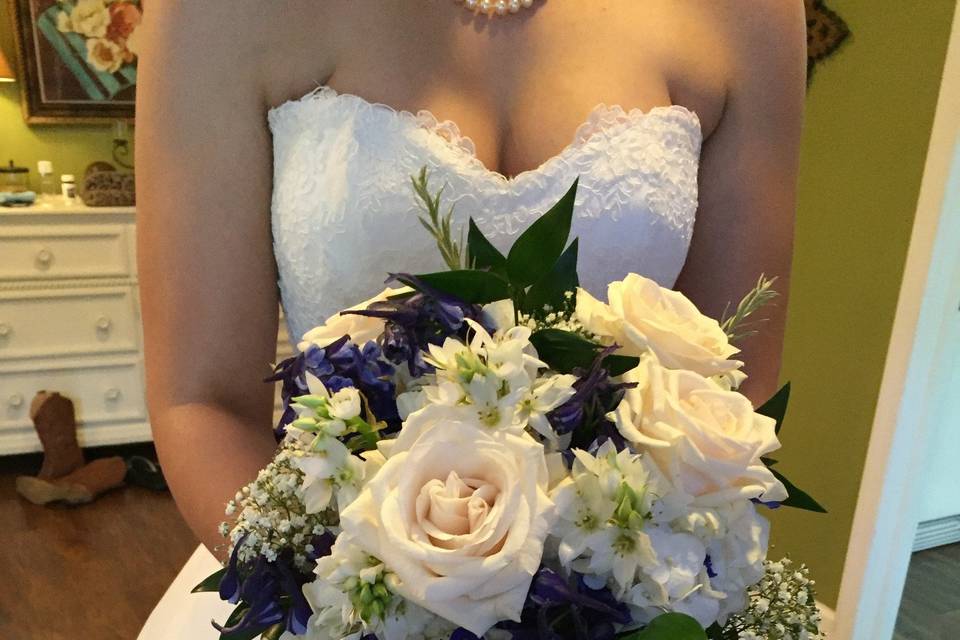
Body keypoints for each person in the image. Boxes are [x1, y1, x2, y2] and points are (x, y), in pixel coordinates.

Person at [134, 1, 807, 637]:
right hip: (331, 602)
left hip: (613, 605)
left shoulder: (752, 12)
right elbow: (203, 402)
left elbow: (729, 394)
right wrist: (351, 612)